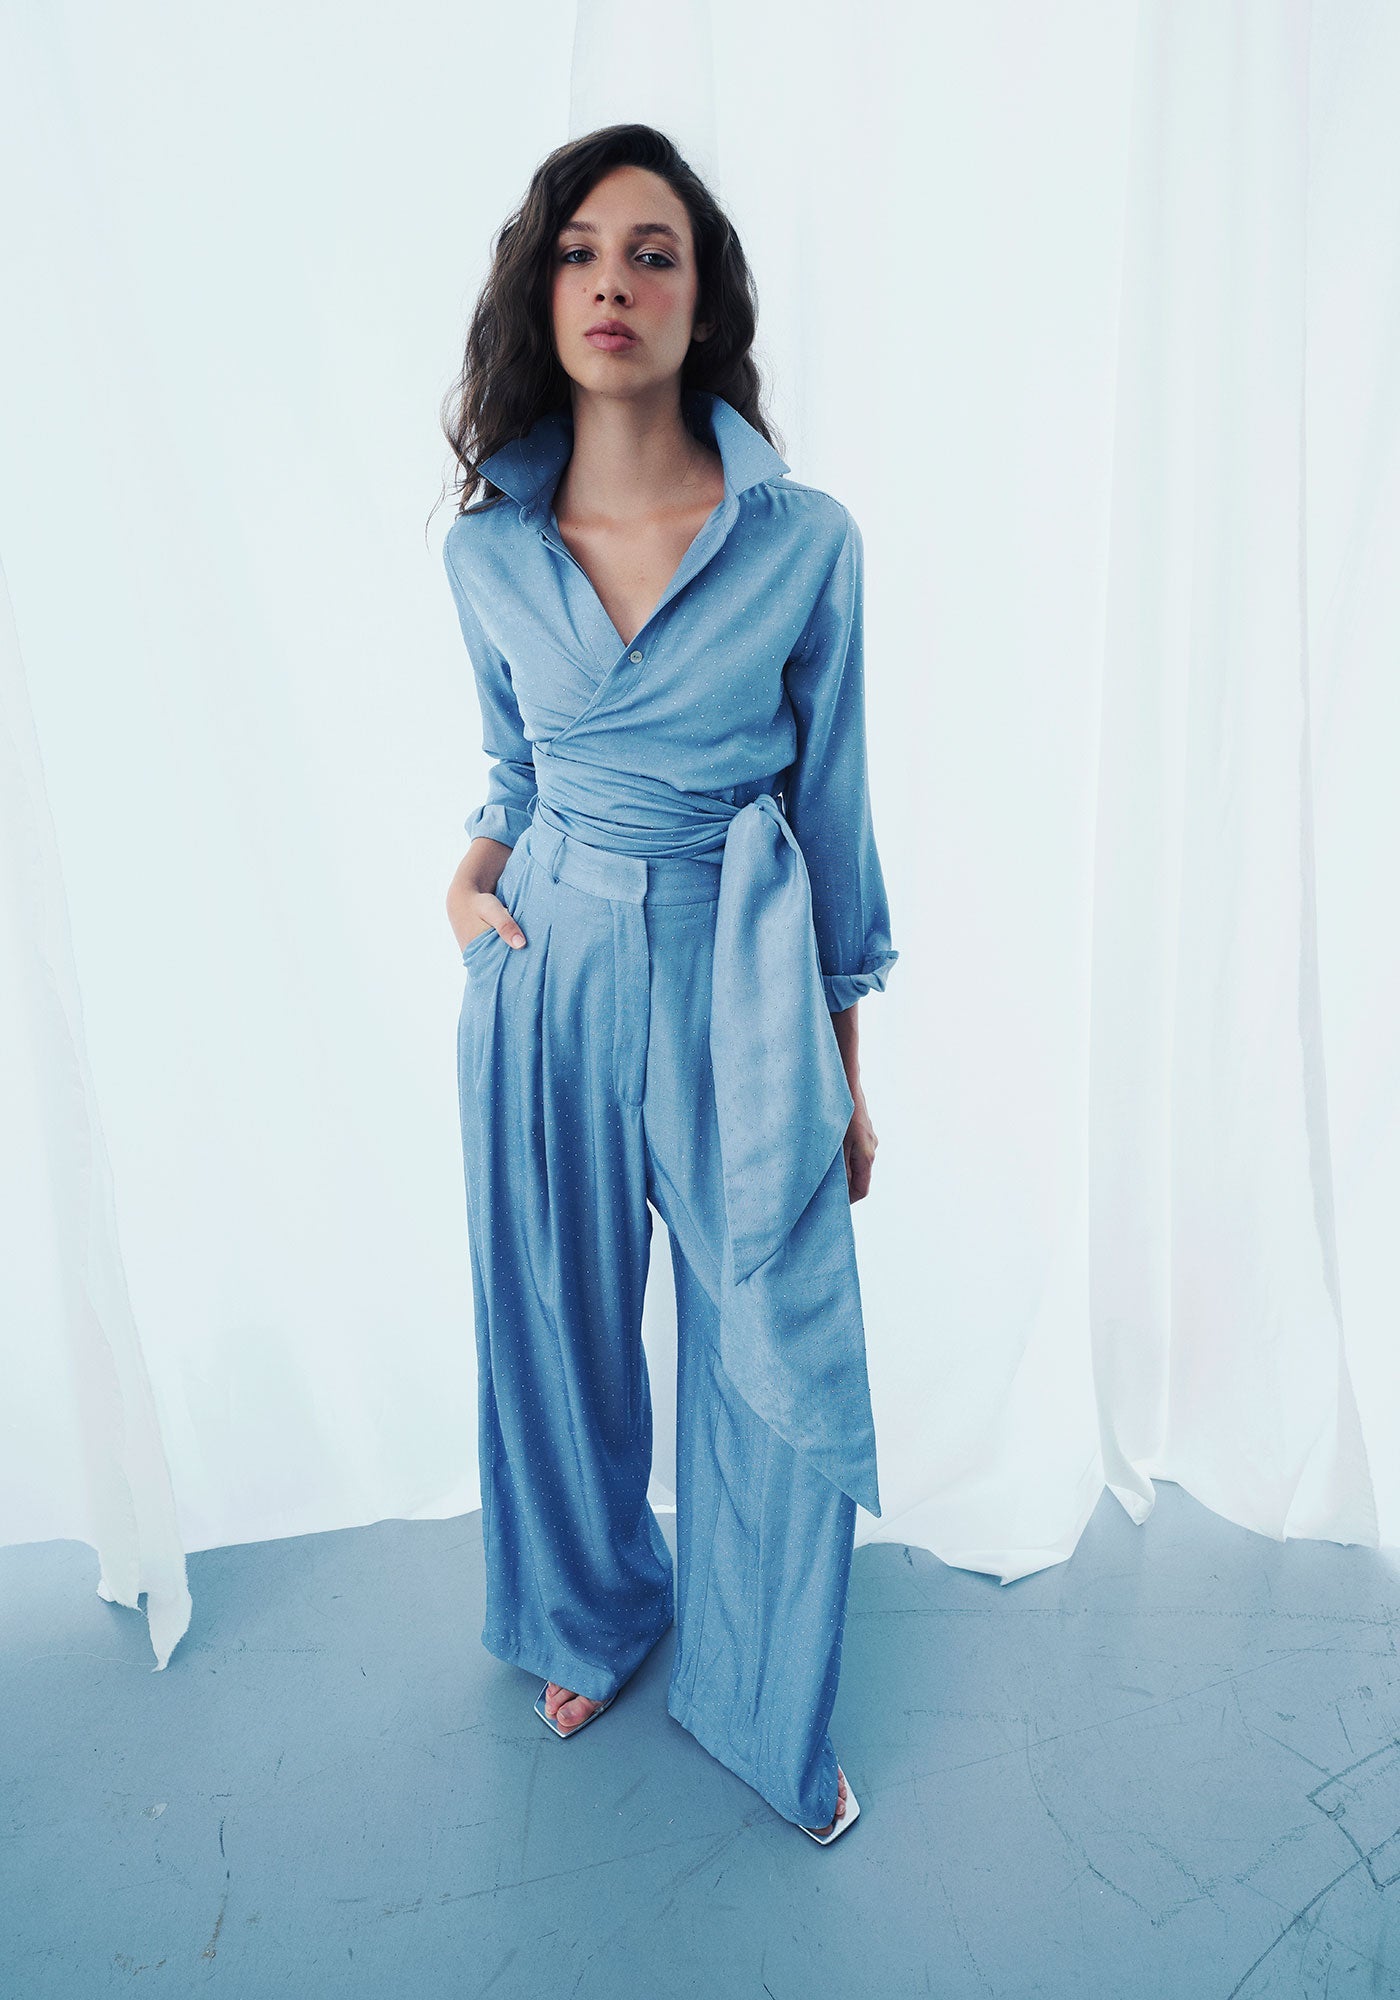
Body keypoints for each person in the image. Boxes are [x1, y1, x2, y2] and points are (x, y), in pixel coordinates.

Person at [439, 123, 898, 1844]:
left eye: (653, 253)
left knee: (769, 1327)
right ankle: (589, 1615)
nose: (612, 282)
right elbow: (514, 766)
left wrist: (847, 1068)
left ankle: (767, 1693)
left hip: (740, 977)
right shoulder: (488, 549)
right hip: (543, 967)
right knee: (553, 1324)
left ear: (705, 303)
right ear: (539, 292)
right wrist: (472, 873)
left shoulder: (805, 541)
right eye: (577, 251)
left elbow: (832, 818)